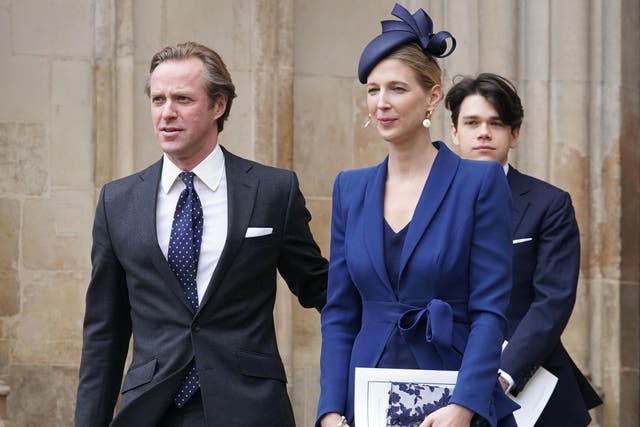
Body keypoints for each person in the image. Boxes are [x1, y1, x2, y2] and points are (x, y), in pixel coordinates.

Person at [75, 41, 328, 427]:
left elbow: (321, 289)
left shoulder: (273, 190)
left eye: (182, 99)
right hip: (151, 410)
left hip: (251, 409)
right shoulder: (117, 200)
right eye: (157, 99)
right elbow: (104, 333)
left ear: (218, 105)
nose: (166, 113)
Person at [316, 5, 518, 427]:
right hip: (365, 398)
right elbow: (339, 313)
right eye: (373, 90)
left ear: (432, 95)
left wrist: (464, 407)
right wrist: (331, 410)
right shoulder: (349, 189)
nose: (382, 103)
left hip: (454, 393)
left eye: (396, 89)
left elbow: (490, 310)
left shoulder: (478, 183)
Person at [445, 72, 603, 426]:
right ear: (454, 132)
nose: (483, 132)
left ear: (514, 134)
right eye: (472, 122)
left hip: (528, 386)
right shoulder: (422, 201)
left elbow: (553, 300)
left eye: (496, 123)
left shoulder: (549, 204)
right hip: (442, 379)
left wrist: (503, 374)